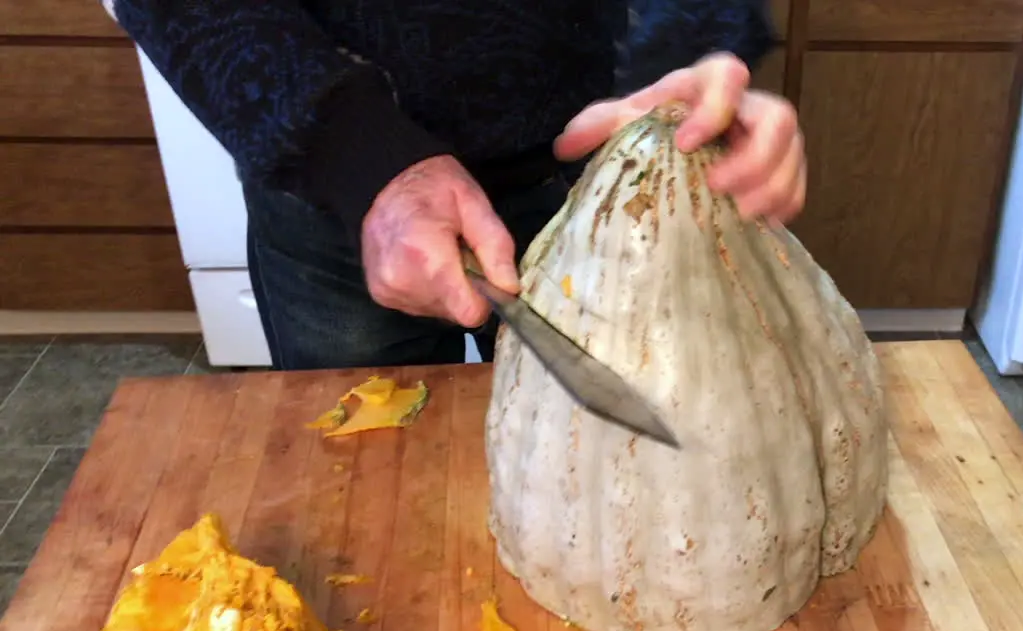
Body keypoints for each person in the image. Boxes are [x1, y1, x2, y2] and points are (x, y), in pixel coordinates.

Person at [103, 1, 808, 370]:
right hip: (342, 197)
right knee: (363, 482)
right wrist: (354, 152)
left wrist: (693, 60)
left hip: (608, 170)